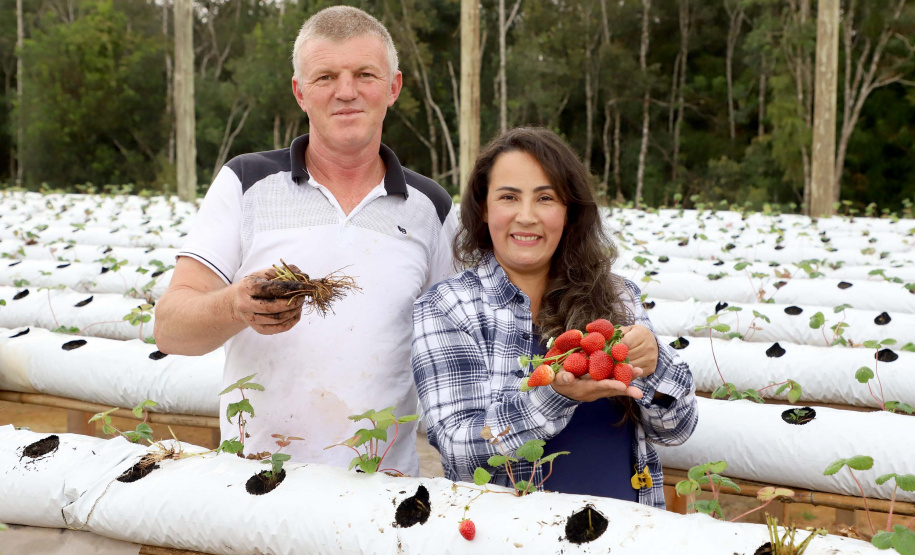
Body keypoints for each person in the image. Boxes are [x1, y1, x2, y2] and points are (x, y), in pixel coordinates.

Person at [154, 6, 458, 478]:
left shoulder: (431, 208)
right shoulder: (246, 181)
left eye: (365, 74)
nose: (346, 91)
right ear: (299, 91)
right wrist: (236, 305)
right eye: (325, 77)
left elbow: (457, 348)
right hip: (256, 481)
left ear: (393, 87)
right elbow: (170, 329)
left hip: (379, 491)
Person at [411, 127, 698, 507]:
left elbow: (677, 428)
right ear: (484, 208)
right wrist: (554, 396)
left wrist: (655, 363)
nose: (526, 216)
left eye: (545, 198)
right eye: (509, 197)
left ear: (569, 211)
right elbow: (460, 450)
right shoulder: (448, 307)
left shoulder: (617, 295)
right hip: (513, 539)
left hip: (630, 533)